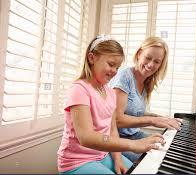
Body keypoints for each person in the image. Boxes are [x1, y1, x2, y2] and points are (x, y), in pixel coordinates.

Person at [57, 35, 165, 174]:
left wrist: (118, 157)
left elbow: (112, 129)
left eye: (118, 67)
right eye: (111, 64)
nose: (115, 71)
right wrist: (133, 144)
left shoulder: (109, 92)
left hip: (101, 155)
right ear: (91, 58)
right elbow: (86, 137)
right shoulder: (79, 89)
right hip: (77, 161)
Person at [110, 36, 182, 162]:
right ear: (139, 54)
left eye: (156, 61)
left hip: (133, 135)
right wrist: (153, 121)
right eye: (148, 58)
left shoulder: (146, 81)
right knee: (154, 161)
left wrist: (163, 118)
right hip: (116, 139)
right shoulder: (124, 76)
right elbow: (117, 119)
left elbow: (135, 112)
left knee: (166, 151)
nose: (150, 65)